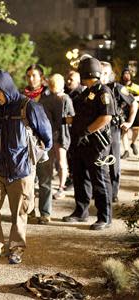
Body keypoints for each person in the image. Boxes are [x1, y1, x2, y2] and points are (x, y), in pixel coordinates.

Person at [0, 70, 52, 266]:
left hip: (22, 169)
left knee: (19, 212)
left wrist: (33, 158)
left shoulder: (28, 107)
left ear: (6, 88)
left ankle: (16, 249)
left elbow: (47, 137)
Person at [62, 57, 115, 231]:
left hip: (95, 145)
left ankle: (105, 217)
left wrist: (86, 131)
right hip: (81, 144)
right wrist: (64, 120)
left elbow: (106, 117)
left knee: (99, 179)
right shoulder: (87, 92)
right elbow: (80, 117)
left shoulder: (103, 92)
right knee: (80, 177)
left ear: (86, 72)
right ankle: (81, 212)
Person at [24, 64, 58, 224]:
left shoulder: (50, 97)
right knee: (28, 179)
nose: (31, 79)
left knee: (44, 180)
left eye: (34, 76)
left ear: (42, 78)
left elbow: (58, 122)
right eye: (28, 76)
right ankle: (29, 211)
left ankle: (45, 213)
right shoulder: (21, 97)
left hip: (45, 144)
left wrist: (49, 142)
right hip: (26, 144)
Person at [100, 62, 138, 203]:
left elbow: (133, 103)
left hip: (113, 129)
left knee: (113, 161)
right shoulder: (95, 89)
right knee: (99, 161)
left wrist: (129, 122)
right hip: (98, 130)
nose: (101, 75)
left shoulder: (117, 88)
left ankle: (113, 192)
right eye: (100, 72)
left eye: (105, 73)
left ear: (110, 75)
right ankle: (101, 190)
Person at [48, 74, 75, 200]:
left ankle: (61, 187)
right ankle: (55, 186)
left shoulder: (65, 99)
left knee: (61, 162)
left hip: (61, 134)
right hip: (51, 134)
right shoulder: (51, 98)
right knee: (52, 161)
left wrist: (61, 122)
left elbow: (72, 117)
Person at [119, 68, 139, 158]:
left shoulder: (136, 87)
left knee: (136, 130)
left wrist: (133, 99)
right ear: (122, 76)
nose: (126, 75)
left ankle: (133, 143)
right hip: (124, 112)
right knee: (124, 130)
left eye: (128, 74)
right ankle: (126, 150)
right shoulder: (120, 87)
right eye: (124, 73)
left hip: (136, 111)